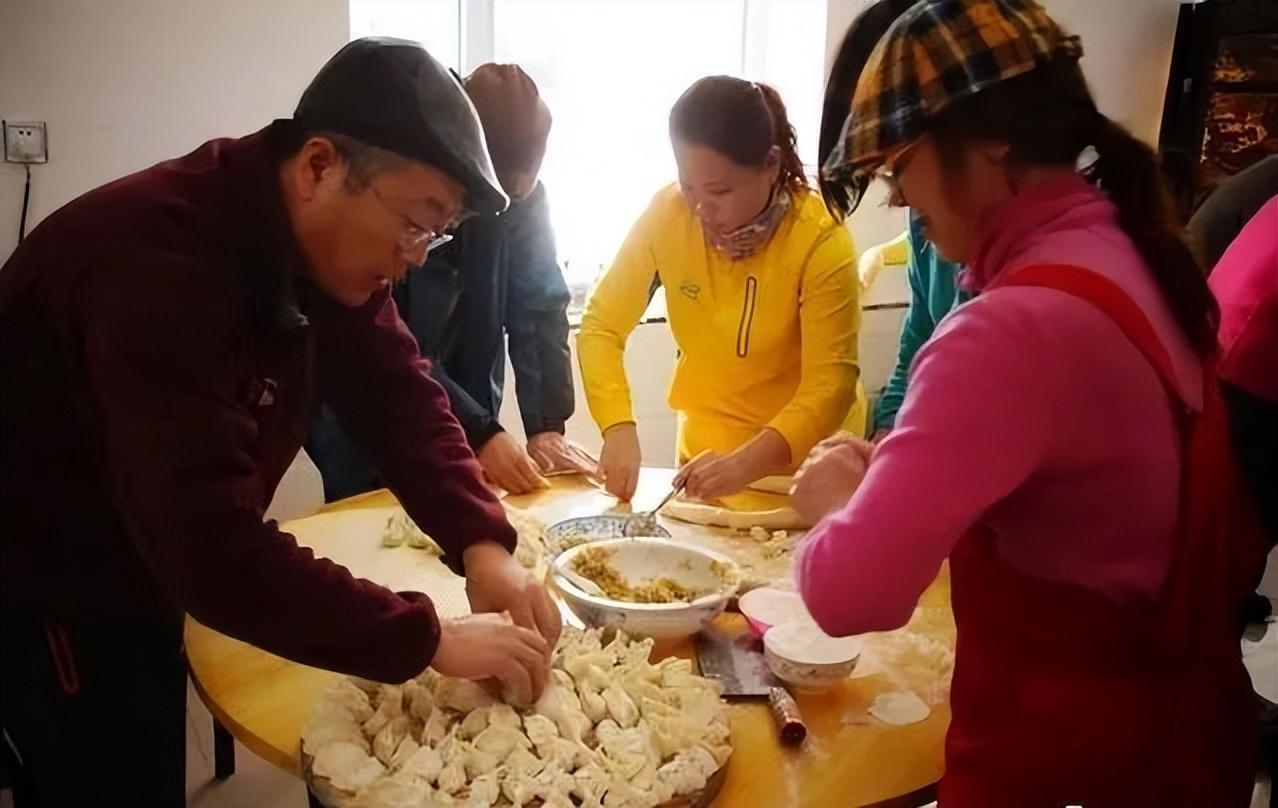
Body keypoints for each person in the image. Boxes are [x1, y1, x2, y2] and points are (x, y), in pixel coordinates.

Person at [0, 39, 560, 807]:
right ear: (320, 166)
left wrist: (482, 544)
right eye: (413, 225)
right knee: (107, 771)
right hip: (47, 578)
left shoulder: (321, 254)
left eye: (435, 236)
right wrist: (428, 638)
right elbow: (213, 548)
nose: (414, 260)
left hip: (145, 552)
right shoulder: (159, 269)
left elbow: (399, 395)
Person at [793, 1, 1266, 805]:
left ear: (992, 141)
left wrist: (835, 508)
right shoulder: (1136, 255)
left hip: (1064, 766)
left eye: (900, 165)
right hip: (1179, 748)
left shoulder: (1005, 330)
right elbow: (1077, 503)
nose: (898, 200)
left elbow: (850, 595)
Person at [309, 63, 593, 499]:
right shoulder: (407, 186)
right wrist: (480, 431)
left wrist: (546, 425)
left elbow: (538, 305)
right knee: (377, 516)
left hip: (469, 377)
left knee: (468, 504)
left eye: (512, 200)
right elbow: (393, 342)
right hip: (366, 397)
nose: (495, 212)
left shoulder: (523, 194)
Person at [578, 76, 865, 503]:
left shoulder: (820, 239)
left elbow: (830, 385)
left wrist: (744, 465)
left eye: (719, 190)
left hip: (803, 477)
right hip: (703, 463)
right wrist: (617, 426)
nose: (700, 207)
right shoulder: (668, 214)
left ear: (770, 165)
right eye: (688, 184)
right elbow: (601, 325)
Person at [818, 0, 966, 442]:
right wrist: (884, 433)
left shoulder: (1023, 289)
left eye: (894, 165)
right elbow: (918, 341)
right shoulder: (927, 227)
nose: (897, 198)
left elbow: (964, 401)